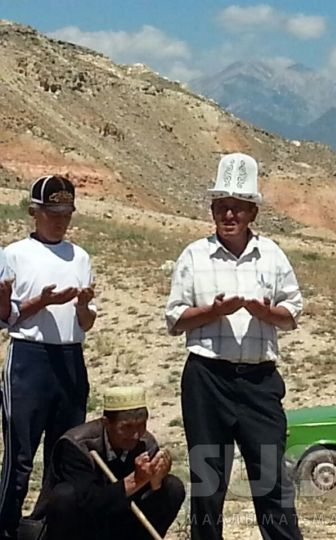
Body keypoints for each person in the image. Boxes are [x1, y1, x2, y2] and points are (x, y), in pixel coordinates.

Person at [165, 152, 304, 540]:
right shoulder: (194, 255)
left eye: (238, 207)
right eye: (222, 207)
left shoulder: (272, 255)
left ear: (252, 213)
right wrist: (213, 312)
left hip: (259, 380)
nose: (229, 215)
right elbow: (175, 320)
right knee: (208, 481)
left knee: (271, 479)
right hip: (207, 378)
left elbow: (292, 314)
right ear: (212, 210)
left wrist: (265, 312)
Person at [0, 175, 96, 539]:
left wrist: (83, 305)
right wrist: (42, 302)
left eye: (66, 214)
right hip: (29, 357)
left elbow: (86, 322)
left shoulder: (80, 256)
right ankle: (6, 524)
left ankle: (49, 527)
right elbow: (5, 316)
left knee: (65, 452)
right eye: (53, 213)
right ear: (34, 212)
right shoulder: (14, 255)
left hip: (70, 356)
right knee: (20, 454)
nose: (60, 221)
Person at [33, 386, 185, 540]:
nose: (135, 435)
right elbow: (88, 502)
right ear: (106, 423)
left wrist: (155, 483)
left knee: (172, 487)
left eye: (141, 425)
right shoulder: (76, 445)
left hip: (120, 522)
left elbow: (148, 500)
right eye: (126, 427)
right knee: (65, 495)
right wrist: (135, 481)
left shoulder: (146, 444)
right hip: (83, 526)